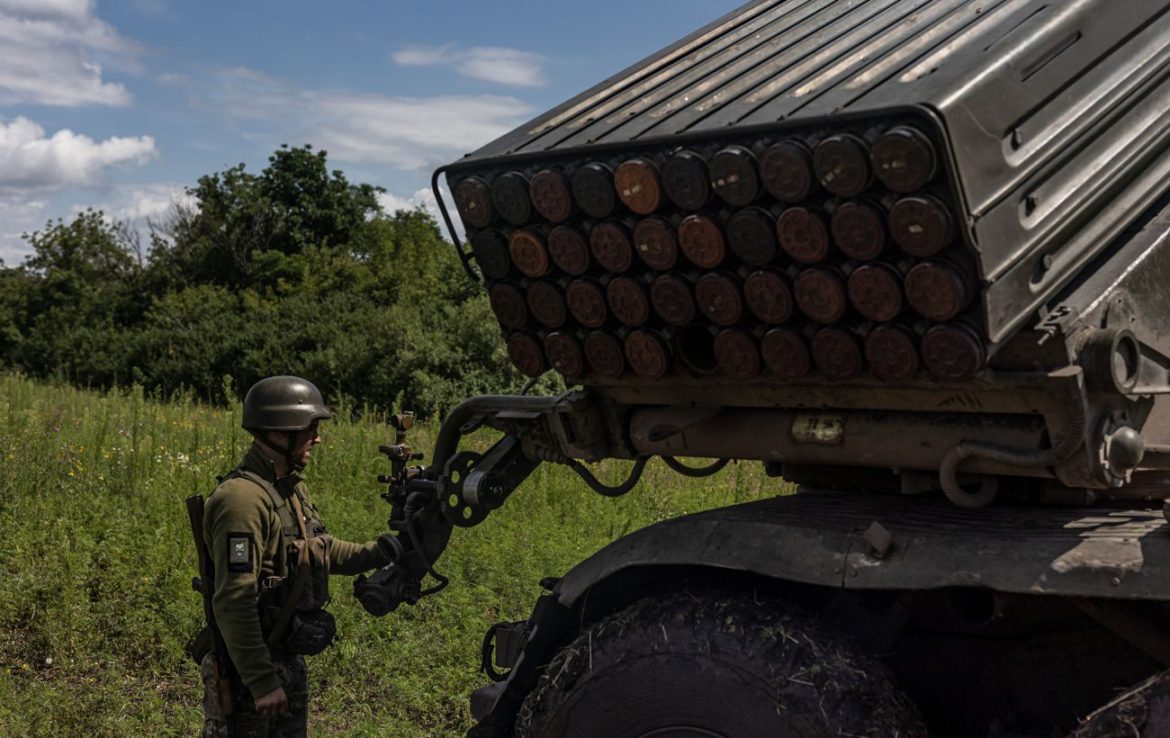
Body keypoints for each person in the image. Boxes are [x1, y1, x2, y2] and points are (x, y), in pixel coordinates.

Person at [198, 375, 390, 737]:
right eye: (310, 428)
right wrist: (261, 680)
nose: (316, 438)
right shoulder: (242, 500)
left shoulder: (289, 487)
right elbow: (233, 600)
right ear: (280, 432)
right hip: (247, 673)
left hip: (284, 662)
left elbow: (319, 549)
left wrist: (378, 552)